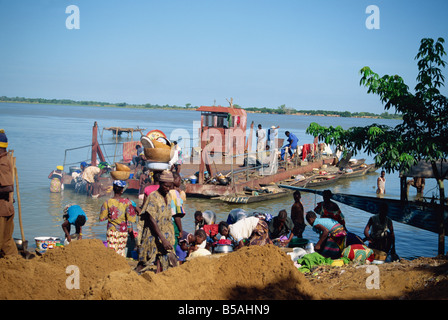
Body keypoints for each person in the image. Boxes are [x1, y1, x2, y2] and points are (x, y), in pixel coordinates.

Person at [137, 170, 177, 274]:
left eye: (170, 186)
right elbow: (151, 219)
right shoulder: (153, 197)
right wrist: (162, 239)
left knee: (167, 259)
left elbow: (168, 217)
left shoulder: (168, 196)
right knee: (144, 261)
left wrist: (169, 236)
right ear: (160, 183)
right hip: (152, 234)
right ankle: (132, 278)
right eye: (166, 186)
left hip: (165, 233)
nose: (168, 189)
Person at [99, 180, 137, 257]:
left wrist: (112, 214)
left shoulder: (107, 202)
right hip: (122, 231)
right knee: (121, 252)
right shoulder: (127, 202)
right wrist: (131, 234)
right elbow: (130, 221)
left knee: (111, 253)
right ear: (122, 190)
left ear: (113, 189)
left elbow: (102, 217)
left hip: (111, 231)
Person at [0, 129, 18, 258]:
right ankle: (16, 263)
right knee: (6, 241)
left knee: (3, 240)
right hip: (6, 207)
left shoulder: (2, 163)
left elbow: (8, 187)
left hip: (2, 209)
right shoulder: (6, 160)